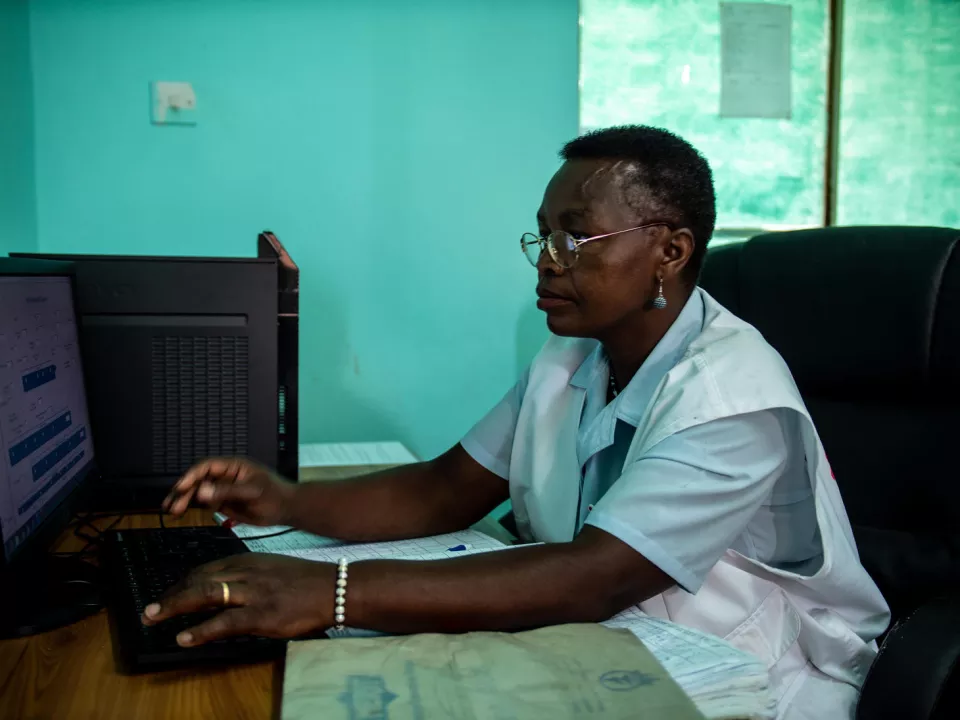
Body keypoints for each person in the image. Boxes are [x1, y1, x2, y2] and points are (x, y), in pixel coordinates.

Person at [150, 126, 889, 719]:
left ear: (669, 251)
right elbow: (446, 489)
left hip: (740, 673)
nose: (545, 264)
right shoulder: (571, 351)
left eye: (575, 239)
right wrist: (286, 501)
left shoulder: (734, 394)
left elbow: (594, 577)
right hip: (602, 639)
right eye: (542, 237)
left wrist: (332, 592)